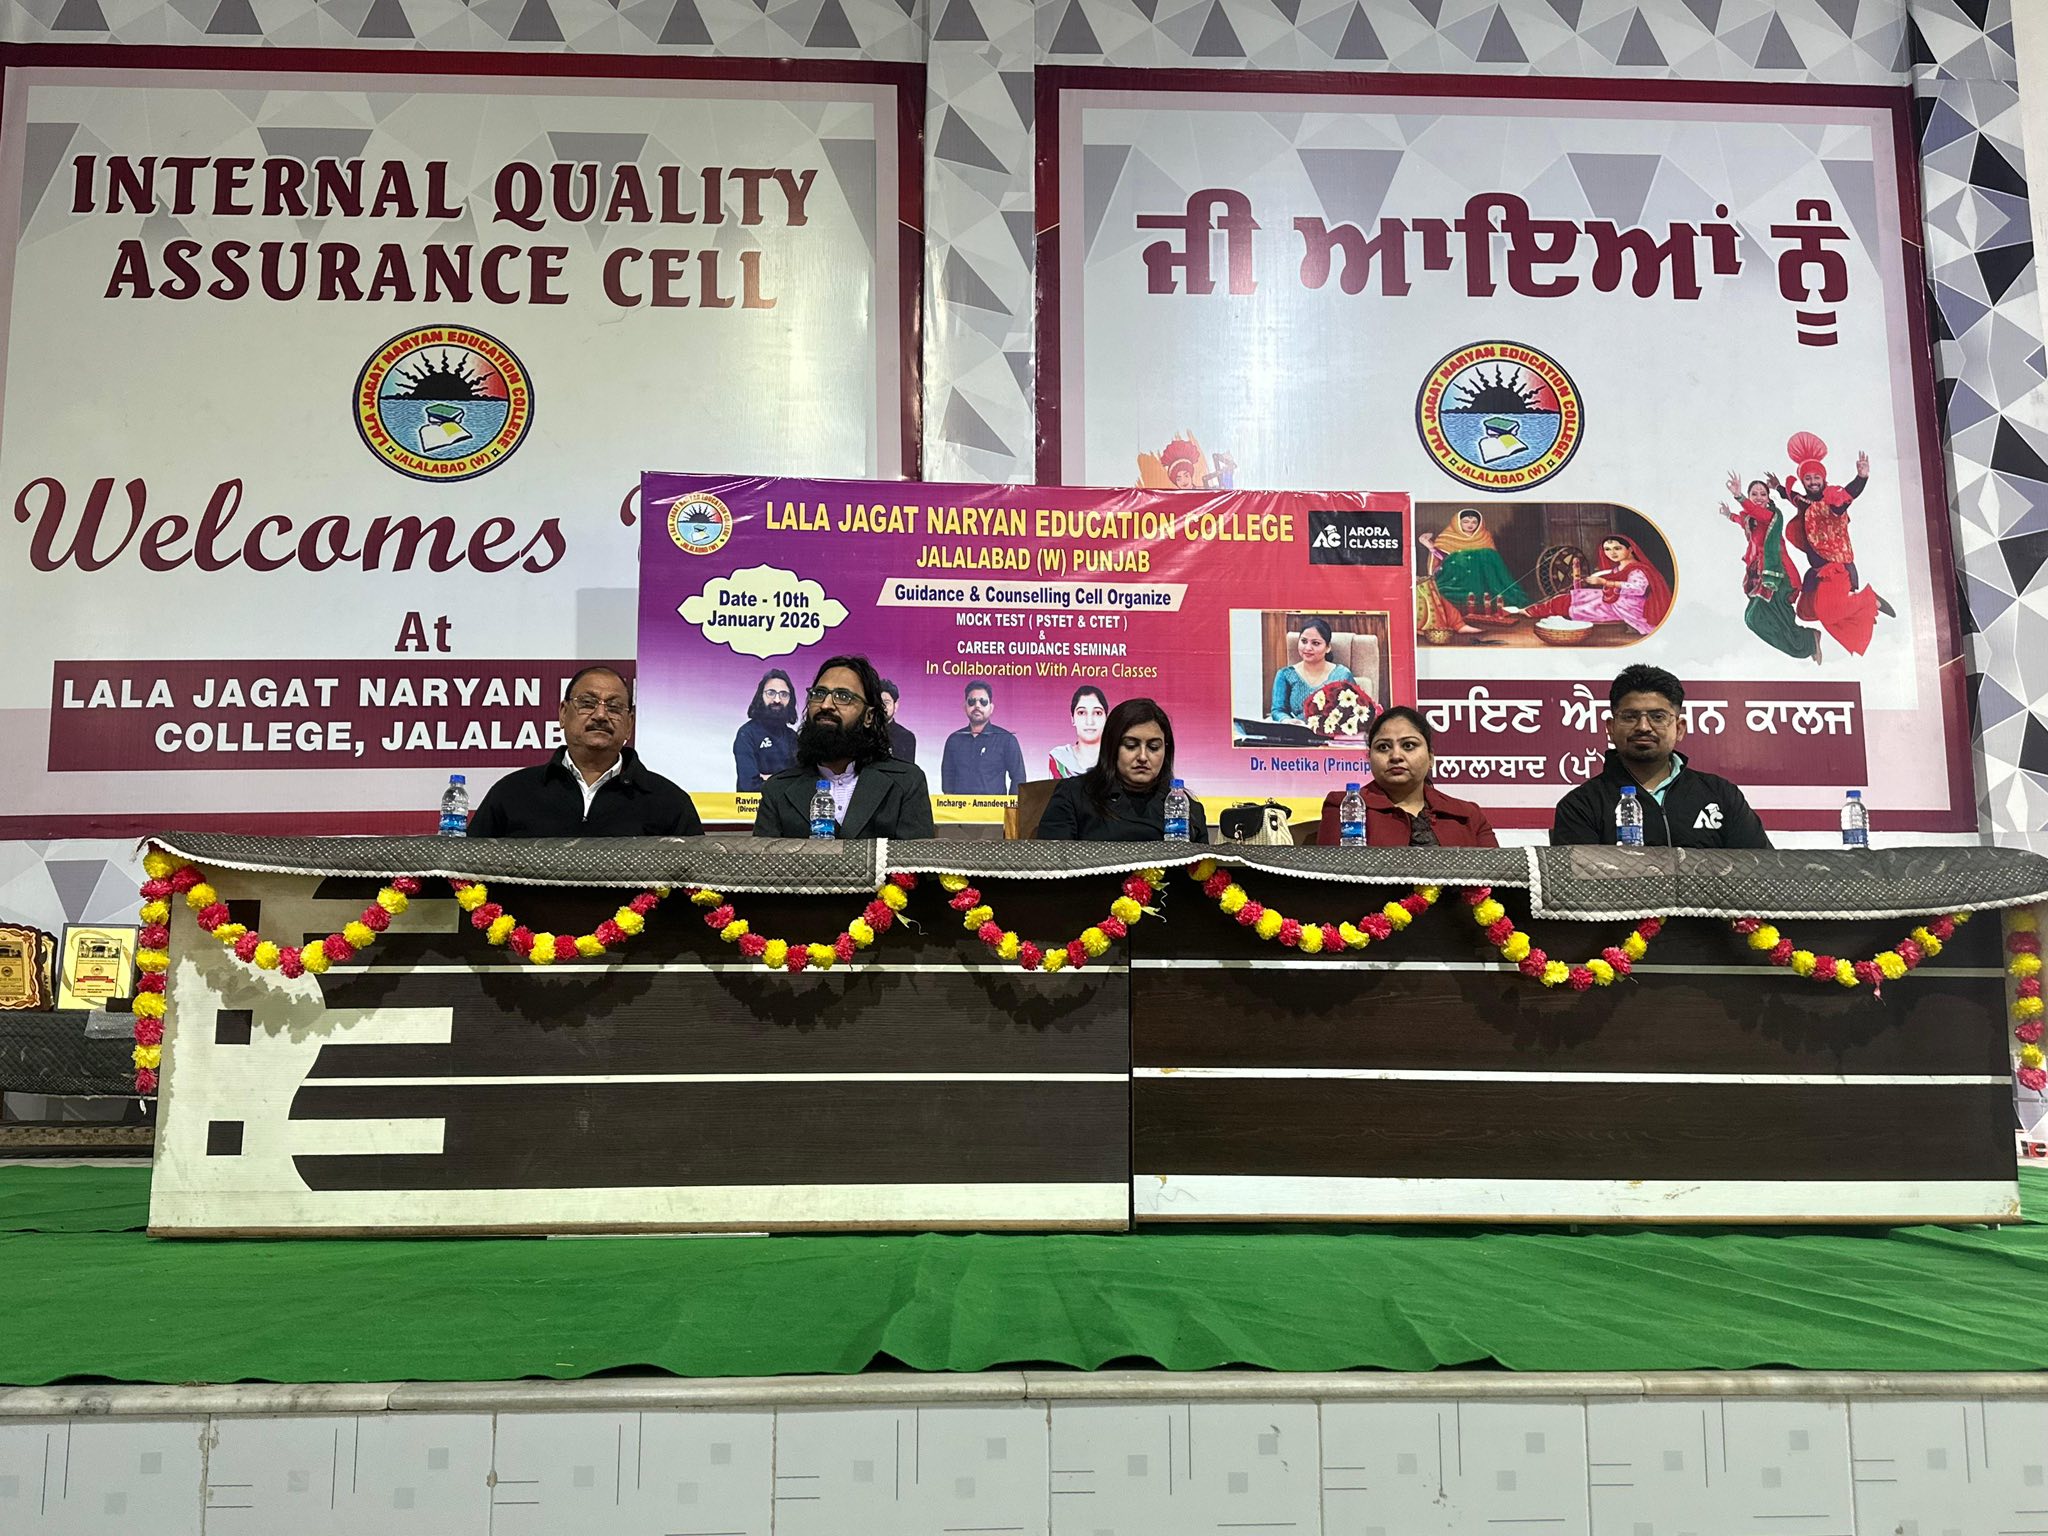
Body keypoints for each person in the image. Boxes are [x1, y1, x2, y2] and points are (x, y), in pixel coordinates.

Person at [1550, 664, 1770, 848]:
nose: (1643, 727)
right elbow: (1579, 885)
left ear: (1680, 728)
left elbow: (1761, 872)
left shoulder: (1721, 795)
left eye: (1657, 717)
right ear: (1610, 727)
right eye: (1630, 716)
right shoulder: (1581, 806)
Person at [470, 665, 701, 837]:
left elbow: (697, 884)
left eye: (614, 707)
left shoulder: (669, 802)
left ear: (629, 723)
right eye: (588, 703)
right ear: (563, 713)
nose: (600, 715)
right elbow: (466, 877)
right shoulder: (513, 793)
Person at [753, 655, 934, 839]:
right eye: (819, 694)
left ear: (869, 716)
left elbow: (915, 857)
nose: (825, 705)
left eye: (843, 697)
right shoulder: (777, 790)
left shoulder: (906, 783)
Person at [1770, 431, 1895, 657]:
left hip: (1835, 568)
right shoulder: (1804, 501)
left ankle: (1868, 599)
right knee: (1805, 611)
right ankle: (1856, 606)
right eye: (1808, 478)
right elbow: (1792, 496)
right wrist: (1778, 487)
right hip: (1817, 571)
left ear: (1823, 478)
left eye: (1816, 477)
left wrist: (1861, 478)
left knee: (1829, 612)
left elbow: (1846, 497)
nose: (1813, 482)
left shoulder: (1831, 497)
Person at [1316, 706, 1498, 846]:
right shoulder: (1345, 806)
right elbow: (1332, 881)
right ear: (1369, 758)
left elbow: (1496, 880)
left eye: (1409, 745)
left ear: (1431, 758)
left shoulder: (1468, 816)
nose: (1396, 756)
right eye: (1383, 747)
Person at [1034, 698, 1207, 842]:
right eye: (1131, 745)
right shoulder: (1074, 795)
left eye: (1153, 747)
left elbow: (1203, 871)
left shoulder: (1187, 809)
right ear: (1112, 747)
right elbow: (1052, 864)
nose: (1143, 757)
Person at [1722, 473, 1819, 663]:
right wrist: (1729, 515)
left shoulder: (1771, 516)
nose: (1759, 497)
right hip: (1762, 576)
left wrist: (1739, 496)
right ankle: (1807, 640)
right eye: (1754, 494)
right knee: (1753, 618)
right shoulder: (1750, 520)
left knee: (1756, 617)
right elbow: (1742, 520)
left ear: (1768, 498)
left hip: (1780, 575)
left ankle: (1807, 641)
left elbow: (1755, 512)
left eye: (1763, 494)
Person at [1514, 535, 1672, 637]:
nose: (1612, 553)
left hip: (1628, 606)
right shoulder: (1620, 566)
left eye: (1617, 548)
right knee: (1574, 597)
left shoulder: (1638, 569)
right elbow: (1612, 578)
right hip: (1616, 599)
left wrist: (1605, 582)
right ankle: (1531, 611)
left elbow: (1638, 589)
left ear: (1630, 549)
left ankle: (1531, 611)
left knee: (1579, 604)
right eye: (1607, 549)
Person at [1419, 507, 1528, 610]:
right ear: (1458, 523)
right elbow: (1444, 559)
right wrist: (1431, 547)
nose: (1470, 525)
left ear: (1479, 524)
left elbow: (1494, 561)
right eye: (1466, 522)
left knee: (1487, 554)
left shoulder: (1485, 536)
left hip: (1483, 577)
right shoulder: (1446, 537)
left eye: (1474, 522)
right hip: (1456, 576)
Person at [940, 678, 1026, 794]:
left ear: (991, 708)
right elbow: (947, 784)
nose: (977, 706)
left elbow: (1019, 779)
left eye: (983, 702)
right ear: (965, 707)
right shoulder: (954, 740)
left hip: (995, 806)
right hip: (961, 806)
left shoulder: (1006, 740)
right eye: (972, 701)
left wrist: (1010, 805)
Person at [1270, 617, 1355, 721]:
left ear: (1328, 647)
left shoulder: (1342, 675)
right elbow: (1278, 710)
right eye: (1304, 641)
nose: (1308, 648)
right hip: (1296, 729)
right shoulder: (1285, 675)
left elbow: (1355, 709)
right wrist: (1287, 721)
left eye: (1315, 643)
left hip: (1332, 730)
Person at [733, 669, 799, 791]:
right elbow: (749, 786)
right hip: (754, 802)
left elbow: (801, 784)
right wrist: (786, 780)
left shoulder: (793, 737)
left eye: (784, 694)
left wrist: (768, 779)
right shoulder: (747, 734)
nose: (777, 700)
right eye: (771, 693)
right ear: (760, 696)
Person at [1048, 686, 1108, 778]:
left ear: (1106, 718)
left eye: (1097, 713)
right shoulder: (1058, 758)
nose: (1089, 722)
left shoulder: (1117, 759)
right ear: (1073, 719)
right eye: (1081, 713)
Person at [878, 678, 917, 762]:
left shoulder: (906, 737)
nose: (882, 707)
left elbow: (908, 768)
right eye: (879, 702)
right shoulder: (863, 733)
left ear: (895, 706)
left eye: (886, 702)